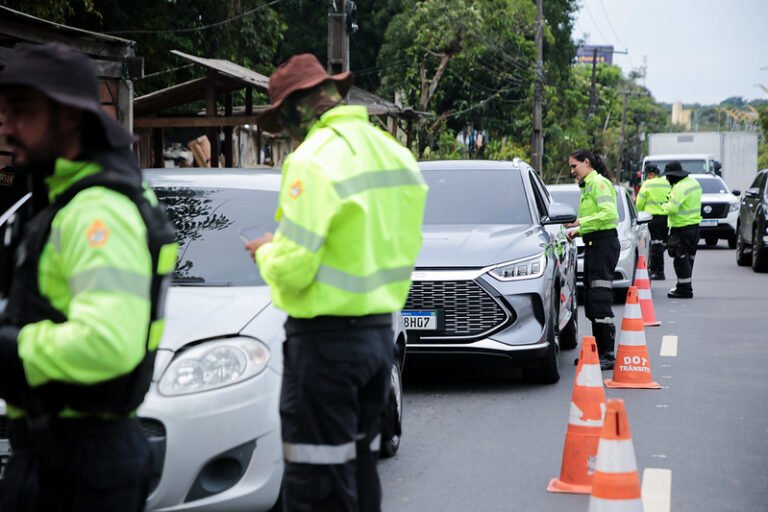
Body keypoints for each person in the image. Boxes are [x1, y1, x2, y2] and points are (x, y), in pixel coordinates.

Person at [245, 54, 428, 512]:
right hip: (378, 341)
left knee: (317, 483)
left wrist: (266, 251)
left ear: (298, 108)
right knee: (359, 465)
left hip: (325, 347)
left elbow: (294, 267)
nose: (285, 132)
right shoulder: (395, 155)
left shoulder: (312, 161)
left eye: (284, 119)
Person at [0, 42, 178, 511]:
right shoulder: (60, 201)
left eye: (21, 112)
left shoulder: (97, 211)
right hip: (59, 457)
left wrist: (13, 349)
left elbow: (108, 343)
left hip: (79, 470)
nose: (6, 128)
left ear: (70, 118)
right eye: (4, 112)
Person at [565, 149, 620, 371]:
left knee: (600, 297)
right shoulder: (588, 186)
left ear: (586, 162)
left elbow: (610, 215)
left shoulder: (599, 184)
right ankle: (598, 353)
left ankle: (608, 354)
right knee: (591, 298)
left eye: (574, 166)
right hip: (593, 244)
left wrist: (580, 223)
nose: (572, 171)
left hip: (603, 245)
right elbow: (597, 219)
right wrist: (579, 231)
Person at [660, 161, 702, 298]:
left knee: (680, 258)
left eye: (668, 177)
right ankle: (683, 285)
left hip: (681, 228)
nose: (667, 180)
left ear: (673, 176)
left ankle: (684, 289)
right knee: (689, 258)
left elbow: (672, 208)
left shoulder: (679, 188)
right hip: (695, 227)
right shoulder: (694, 183)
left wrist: (663, 206)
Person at [636, 164, 671, 279]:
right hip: (665, 217)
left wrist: (638, 213)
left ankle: (658, 272)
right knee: (661, 244)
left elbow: (639, 203)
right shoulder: (666, 183)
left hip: (652, 218)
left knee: (655, 245)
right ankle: (656, 268)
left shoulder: (647, 184)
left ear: (650, 174)